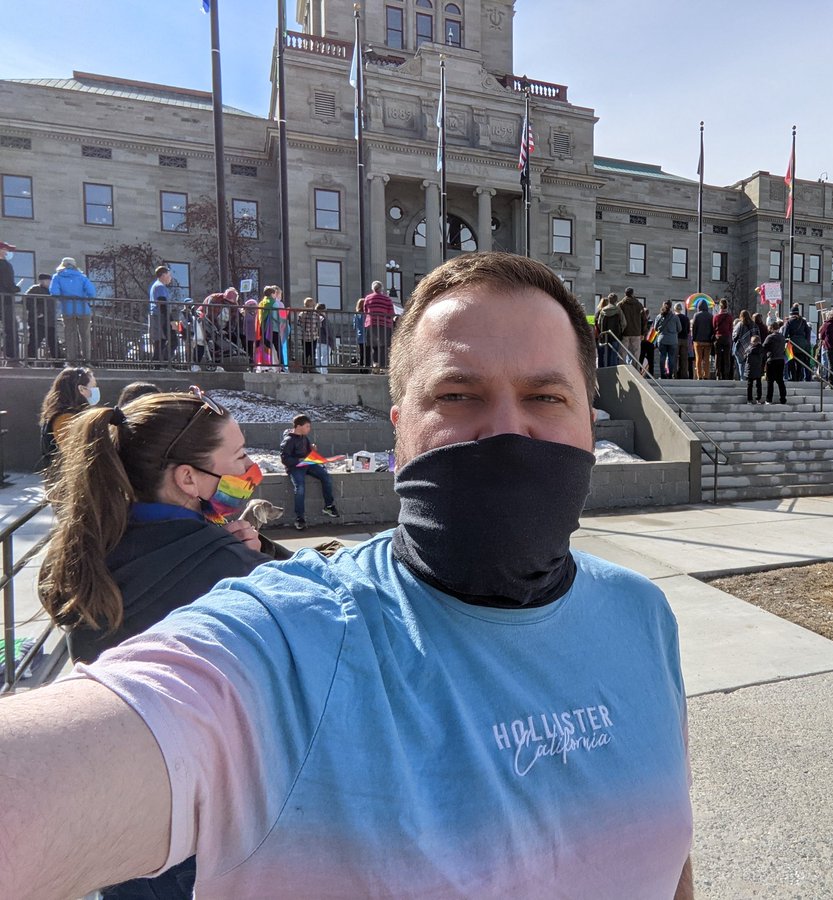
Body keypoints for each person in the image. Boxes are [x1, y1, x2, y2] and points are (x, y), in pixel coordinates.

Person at [0, 252, 693, 899]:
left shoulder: (643, 616)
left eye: (546, 396)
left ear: (589, 421)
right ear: (400, 429)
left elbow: (672, 858)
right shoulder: (286, 641)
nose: (505, 430)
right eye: (457, 395)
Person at [37, 388, 290, 900]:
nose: (251, 468)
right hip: (209, 837)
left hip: (119, 825)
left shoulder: (90, 547)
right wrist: (261, 557)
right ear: (188, 478)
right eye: (239, 456)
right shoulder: (232, 572)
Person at [280, 414, 341, 530]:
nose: (309, 429)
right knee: (300, 488)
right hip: (295, 467)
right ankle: (299, 518)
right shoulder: (288, 440)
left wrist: (312, 450)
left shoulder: (304, 437)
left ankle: (328, 506)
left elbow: (307, 451)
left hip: (307, 464)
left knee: (326, 477)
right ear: (299, 426)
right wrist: (298, 460)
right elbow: (284, 459)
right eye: (307, 426)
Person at [39, 367, 99, 469]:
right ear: (81, 389)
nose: (96, 391)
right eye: (93, 387)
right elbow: (75, 453)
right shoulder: (64, 418)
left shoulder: (70, 414)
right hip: (66, 480)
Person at [50, 257, 97, 364]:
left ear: (63, 265)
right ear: (74, 265)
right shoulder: (82, 277)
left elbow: (54, 292)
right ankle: (87, 360)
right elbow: (92, 293)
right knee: (85, 335)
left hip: (67, 309)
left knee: (69, 335)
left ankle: (71, 360)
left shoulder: (57, 277)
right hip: (83, 309)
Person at [24, 271, 56, 364]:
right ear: (42, 281)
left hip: (50, 321)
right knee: (35, 342)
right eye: (48, 281)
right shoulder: (35, 289)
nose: (50, 283)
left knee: (53, 343)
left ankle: (58, 363)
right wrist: (37, 313)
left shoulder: (51, 291)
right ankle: (30, 361)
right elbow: (28, 301)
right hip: (38, 321)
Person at [363, 281, 395, 373]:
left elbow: (365, 311)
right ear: (381, 288)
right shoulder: (387, 299)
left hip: (371, 324)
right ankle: (383, 367)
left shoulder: (368, 298)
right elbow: (391, 312)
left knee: (373, 346)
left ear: (373, 288)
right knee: (383, 346)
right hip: (384, 324)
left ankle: (375, 366)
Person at [148, 266, 174, 362]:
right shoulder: (160, 286)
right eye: (169, 275)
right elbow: (162, 304)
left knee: (161, 340)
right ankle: (162, 362)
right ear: (163, 275)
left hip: (159, 315)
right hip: (159, 316)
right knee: (166, 340)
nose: (170, 278)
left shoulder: (158, 286)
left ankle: (159, 362)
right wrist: (170, 321)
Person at [0, 240, 19, 365]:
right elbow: (8, 284)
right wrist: (16, 289)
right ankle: (11, 357)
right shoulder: (5, 265)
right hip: (5, 300)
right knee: (11, 328)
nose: (7, 252)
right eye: (6, 249)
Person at [594, 293, 624, 367]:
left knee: (605, 354)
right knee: (614, 353)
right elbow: (623, 323)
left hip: (605, 335)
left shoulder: (603, 311)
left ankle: (605, 368)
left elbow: (599, 323)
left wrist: (602, 331)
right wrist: (621, 331)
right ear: (616, 300)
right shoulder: (618, 310)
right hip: (615, 335)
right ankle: (613, 369)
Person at [762, 320, 787, 405]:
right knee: (780, 381)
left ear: (771, 328)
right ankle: (783, 399)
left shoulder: (770, 337)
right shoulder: (782, 337)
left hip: (772, 360)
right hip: (781, 359)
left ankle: (769, 399)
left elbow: (764, 347)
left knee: (770, 381)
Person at [617, 287, 644, 362]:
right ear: (632, 294)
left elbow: (618, 319)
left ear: (625, 294)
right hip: (636, 332)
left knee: (623, 354)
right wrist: (643, 332)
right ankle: (635, 371)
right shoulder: (639, 304)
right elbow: (644, 319)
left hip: (625, 332)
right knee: (636, 354)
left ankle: (623, 371)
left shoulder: (620, 304)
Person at [691, 298, 714, 379]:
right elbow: (712, 328)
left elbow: (694, 328)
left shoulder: (696, 315)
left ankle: (699, 375)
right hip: (708, 341)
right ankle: (706, 375)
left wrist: (693, 338)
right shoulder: (711, 316)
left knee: (698, 358)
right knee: (706, 359)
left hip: (698, 340)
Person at [297, 296, 322, 373]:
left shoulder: (316, 314)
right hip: (305, 336)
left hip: (313, 336)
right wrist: (305, 312)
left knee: (312, 352)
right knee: (305, 352)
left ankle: (312, 368)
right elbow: (300, 323)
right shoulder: (302, 314)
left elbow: (319, 324)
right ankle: (305, 368)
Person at [712, 297, 734, 379]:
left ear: (720, 307)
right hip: (727, 337)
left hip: (718, 337)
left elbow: (714, 328)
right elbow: (731, 328)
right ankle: (726, 374)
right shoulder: (729, 317)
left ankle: (718, 374)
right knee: (726, 357)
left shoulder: (716, 317)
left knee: (718, 356)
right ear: (726, 306)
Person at [732, 308, 755, 381]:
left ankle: (743, 379)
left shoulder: (739, 325)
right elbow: (757, 336)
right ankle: (749, 379)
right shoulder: (754, 325)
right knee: (749, 364)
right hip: (751, 347)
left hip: (740, 348)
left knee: (741, 365)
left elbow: (734, 336)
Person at [744, 333, 766, 404]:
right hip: (759, 369)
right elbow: (764, 359)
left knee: (750, 385)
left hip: (750, 369)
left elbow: (744, 359)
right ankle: (758, 399)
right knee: (758, 384)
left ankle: (749, 399)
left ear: (752, 342)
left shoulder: (748, 349)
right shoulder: (762, 349)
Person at [673, 302, 691, 379]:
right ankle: (684, 375)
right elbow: (688, 330)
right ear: (681, 309)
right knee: (684, 359)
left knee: (674, 358)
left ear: (674, 309)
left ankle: (674, 375)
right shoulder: (686, 318)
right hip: (685, 339)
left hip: (676, 339)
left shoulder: (673, 318)